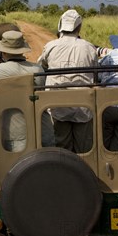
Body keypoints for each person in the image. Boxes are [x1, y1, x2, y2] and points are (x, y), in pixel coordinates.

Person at [0, 30, 55, 151]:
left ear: (4, 52)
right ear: (22, 50)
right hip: (42, 130)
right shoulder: (38, 69)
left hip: (15, 135)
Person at [37, 9, 98, 153]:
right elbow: (96, 72)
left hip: (58, 104)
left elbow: (41, 67)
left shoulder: (51, 46)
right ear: (79, 27)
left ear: (60, 26)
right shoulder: (89, 47)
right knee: (83, 148)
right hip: (83, 105)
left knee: (61, 146)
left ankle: (64, 172)